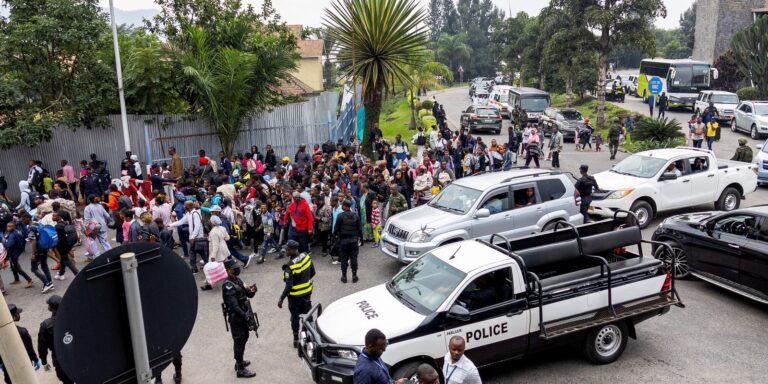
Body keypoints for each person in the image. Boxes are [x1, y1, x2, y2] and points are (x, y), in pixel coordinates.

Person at [221, 257, 258, 378]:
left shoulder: (237, 280)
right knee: (239, 341)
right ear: (228, 270)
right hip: (236, 318)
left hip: (243, 314)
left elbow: (248, 293)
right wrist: (245, 316)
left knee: (244, 337)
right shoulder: (228, 286)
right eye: (234, 268)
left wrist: (252, 291)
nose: (237, 269)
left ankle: (239, 361)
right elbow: (233, 306)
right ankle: (240, 369)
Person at [277, 240, 315, 348]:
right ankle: (310, 337)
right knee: (308, 315)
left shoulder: (290, 266)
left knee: (295, 317)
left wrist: (281, 298)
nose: (285, 251)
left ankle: (296, 339)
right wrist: (304, 282)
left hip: (295, 297)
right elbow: (313, 272)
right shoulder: (306, 256)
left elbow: (289, 286)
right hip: (307, 292)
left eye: (287, 250)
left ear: (293, 250)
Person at [38, 295, 75, 384]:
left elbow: (42, 346)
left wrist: (44, 361)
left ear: (50, 308)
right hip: (76, 356)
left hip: (60, 359)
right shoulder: (73, 319)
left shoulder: (45, 325)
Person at [1, 304, 40, 384]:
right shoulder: (22, 332)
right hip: (24, 367)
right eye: (17, 313)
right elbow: (29, 350)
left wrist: (1, 362)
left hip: (8, 368)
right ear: (13, 316)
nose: (19, 315)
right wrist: (35, 359)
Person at [334, 199, 362, 283]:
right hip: (353, 241)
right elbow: (359, 229)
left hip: (344, 241)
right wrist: (361, 239)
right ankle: (354, 276)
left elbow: (336, 229)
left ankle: (344, 276)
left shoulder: (340, 216)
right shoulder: (356, 215)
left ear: (345, 206)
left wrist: (333, 239)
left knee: (344, 259)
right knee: (354, 258)